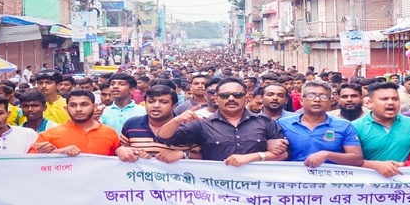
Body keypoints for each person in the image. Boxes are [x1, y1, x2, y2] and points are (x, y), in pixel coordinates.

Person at [156, 78, 288, 172]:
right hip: (218, 191)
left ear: (246, 97)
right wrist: (176, 120)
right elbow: (164, 138)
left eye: (237, 95)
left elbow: (284, 154)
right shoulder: (203, 124)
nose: (231, 99)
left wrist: (252, 157)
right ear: (217, 98)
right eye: (225, 95)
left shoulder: (264, 121)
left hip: (257, 189)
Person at [278, 80, 363, 167]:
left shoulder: (344, 125)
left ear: (330, 102)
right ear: (301, 100)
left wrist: (327, 155)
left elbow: (357, 159)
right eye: (311, 96)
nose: (317, 100)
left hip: (330, 178)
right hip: (292, 178)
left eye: (323, 96)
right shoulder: (282, 124)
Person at [116, 85, 201, 164]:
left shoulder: (188, 126)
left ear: (174, 106)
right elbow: (123, 149)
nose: (156, 105)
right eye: (151, 101)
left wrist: (182, 154)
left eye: (163, 102)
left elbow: (202, 158)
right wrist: (121, 150)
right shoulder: (131, 125)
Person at [353, 82, 410, 179]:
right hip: (368, 186)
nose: (391, 102)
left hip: (406, 184)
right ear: (369, 103)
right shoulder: (355, 127)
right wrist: (374, 165)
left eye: (395, 99)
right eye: (384, 99)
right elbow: (347, 161)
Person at [31, 90, 120, 156]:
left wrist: (122, 150)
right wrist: (58, 152)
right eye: (73, 105)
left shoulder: (110, 133)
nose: (78, 109)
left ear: (95, 107)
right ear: (66, 109)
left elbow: (117, 162)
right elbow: (29, 162)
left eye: (84, 105)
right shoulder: (49, 135)